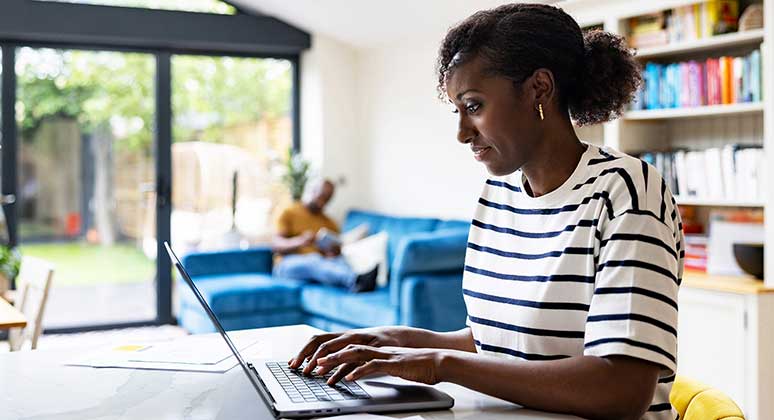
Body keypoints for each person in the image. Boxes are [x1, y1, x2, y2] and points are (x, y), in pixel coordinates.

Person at [287, 4, 684, 420]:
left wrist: (441, 366)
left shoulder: (627, 191)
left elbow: (621, 389)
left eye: (474, 106)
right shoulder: (499, 194)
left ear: (539, 89)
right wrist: (393, 339)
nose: (461, 133)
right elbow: (499, 345)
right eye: (457, 111)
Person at [272, 178, 378, 293]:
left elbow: (336, 251)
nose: (322, 202)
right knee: (313, 260)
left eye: (327, 199)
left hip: (321, 264)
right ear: (312, 190)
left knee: (337, 261)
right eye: (321, 196)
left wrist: (333, 252)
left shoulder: (329, 223)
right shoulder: (289, 212)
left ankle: (356, 283)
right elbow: (276, 245)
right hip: (287, 264)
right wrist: (300, 241)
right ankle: (356, 280)